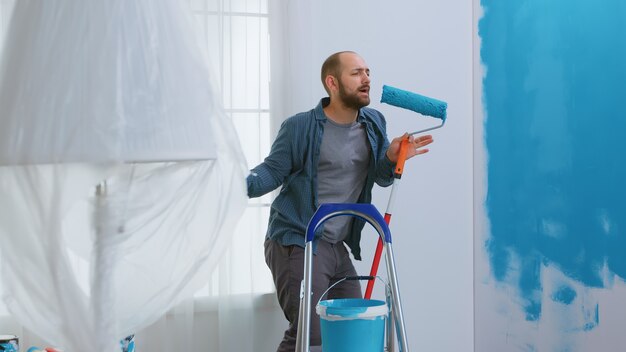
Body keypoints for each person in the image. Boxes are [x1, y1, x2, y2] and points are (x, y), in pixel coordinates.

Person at [247, 51, 433, 351]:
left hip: (336, 245)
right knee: (310, 334)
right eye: (357, 73)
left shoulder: (373, 123)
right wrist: (235, 185)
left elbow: (381, 176)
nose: (367, 78)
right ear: (332, 83)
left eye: (368, 72)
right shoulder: (300, 127)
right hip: (298, 241)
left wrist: (393, 155)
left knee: (352, 329)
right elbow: (271, 171)